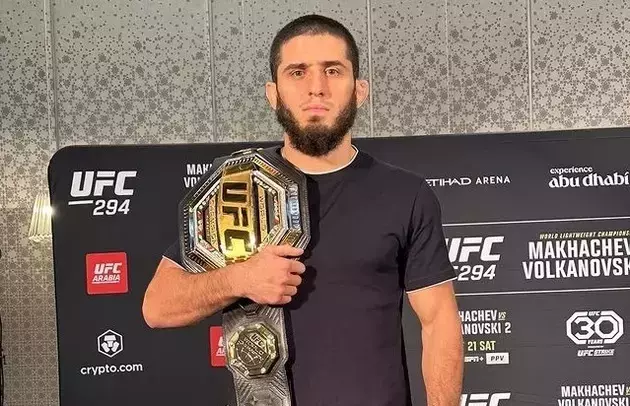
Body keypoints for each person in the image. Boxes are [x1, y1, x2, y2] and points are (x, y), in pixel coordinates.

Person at [143, 14, 463, 406]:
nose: (316, 87)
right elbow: (158, 306)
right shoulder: (235, 188)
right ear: (273, 93)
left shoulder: (406, 194)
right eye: (297, 72)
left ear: (360, 89)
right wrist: (239, 279)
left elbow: (439, 322)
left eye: (333, 70)